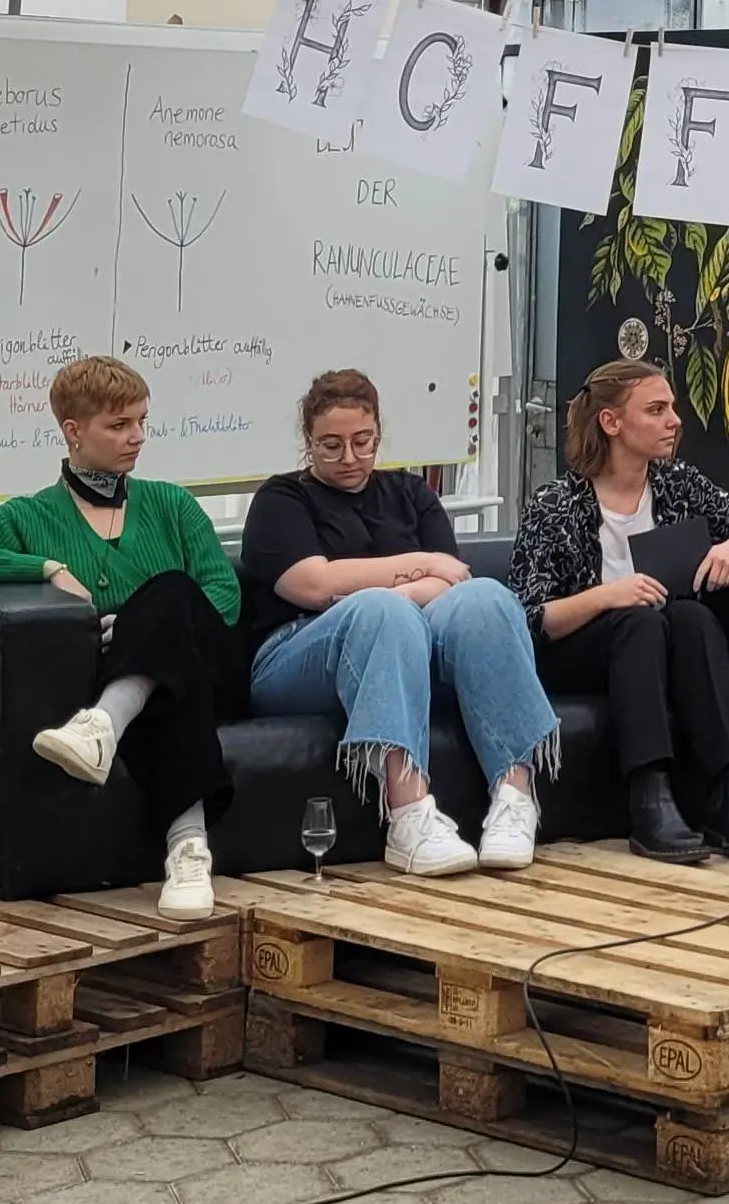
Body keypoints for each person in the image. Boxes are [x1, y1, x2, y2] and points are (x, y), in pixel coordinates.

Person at [0, 355, 244, 916]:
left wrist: (150, 625)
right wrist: (42, 568)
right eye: (119, 426)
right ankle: (188, 850)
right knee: (166, 689)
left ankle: (102, 725)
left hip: (215, 664)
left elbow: (225, 596)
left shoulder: (172, 503)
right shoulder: (30, 515)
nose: (136, 437)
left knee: (168, 593)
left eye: (142, 421)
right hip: (148, 685)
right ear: (73, 431)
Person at [238, 368, 560, 879]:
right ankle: (408, 814)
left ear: (378, 434)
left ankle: (514, 797)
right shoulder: (281, 500)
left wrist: (399, 590)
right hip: (297, 654)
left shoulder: (411, 494)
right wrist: (418, 572)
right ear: (307, 442)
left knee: (487, 598)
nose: (349, 458)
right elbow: (315, 586)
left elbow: (452, 584)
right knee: (380, 611)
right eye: (330, 445)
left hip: (406, 641)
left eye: (362, 443)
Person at [508, 359, 729, 864]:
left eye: (673, 408)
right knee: (639, 620)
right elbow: (529, 620)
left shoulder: (677, 484)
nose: (674, 420)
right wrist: (609, 595)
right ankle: (649, 798)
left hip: (659, 642)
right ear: (611, 423)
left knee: (693, 618)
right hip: (580, 650)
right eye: (657, 410)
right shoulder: (555, 504)